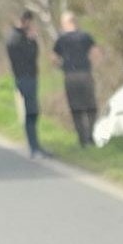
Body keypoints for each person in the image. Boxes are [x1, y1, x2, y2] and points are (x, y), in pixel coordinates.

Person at [52, 11, 101, 147]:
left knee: (76, 108)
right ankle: (90, 136)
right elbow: (96, 52)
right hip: (85, 74)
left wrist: (62, 67)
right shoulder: (85, 36)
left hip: (70, 76)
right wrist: (92, 66)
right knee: (91, 107)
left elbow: (53, 58)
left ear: (65, 24)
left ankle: (82, 139)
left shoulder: (62, 39)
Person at [5, 10, 49, 159]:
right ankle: (34, 148)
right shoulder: (16, 39)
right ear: (25, 21)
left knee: (33, 112)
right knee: (31, 113)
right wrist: (33, 41)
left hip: (28, 77)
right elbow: (30, 57)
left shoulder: (18, 37)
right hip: (25, 78)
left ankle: (36, 146)